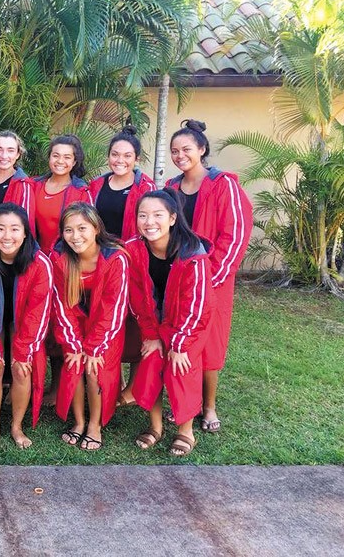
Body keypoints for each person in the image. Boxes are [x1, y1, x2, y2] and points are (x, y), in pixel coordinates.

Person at [165, 119, 252, 433]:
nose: (180, 155)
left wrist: (209, 279)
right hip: (177, 278)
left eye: (186, 149)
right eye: (175, 151)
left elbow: (235, 234)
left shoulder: (223, 184)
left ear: (201, 150)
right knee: (181, 340)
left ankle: (209, 406)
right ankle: (184, 403)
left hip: (213, 278)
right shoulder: (171, 188)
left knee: (210, 343)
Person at [128, 188, 214, 457]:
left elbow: (197, 305)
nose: (149, 222)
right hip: (155, 322)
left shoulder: (192, 254)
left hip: (189, 325)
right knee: (152, 363)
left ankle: (185, 431)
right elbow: (138, 297)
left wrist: (179, 344)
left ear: (173, 218)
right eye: (143, 215)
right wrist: (151, 335)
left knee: (181, 369)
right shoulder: (135, 249)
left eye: (157, 215)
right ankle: (156, 427)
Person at [0, 203, 52, 449]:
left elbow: (38, 312)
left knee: (21, 368)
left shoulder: (39, 263)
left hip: (23, 318)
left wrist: (24, 352)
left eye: (15, 229)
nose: (7, 236)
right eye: (0, 229)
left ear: (26, 232)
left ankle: (16, 426)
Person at [87, 125, 156, 407]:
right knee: (107, 318)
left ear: (136, 159)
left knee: (137, 319)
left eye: (127, 156)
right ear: (108, 156)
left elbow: (149, 226)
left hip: (135, 260)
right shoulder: (96, 186)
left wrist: (125, 250)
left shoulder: (145, 187)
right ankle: (109, 381)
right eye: (115, 154)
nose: (120, 160)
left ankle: (133, 385)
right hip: (102, 262)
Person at [50, 203, 129, 451]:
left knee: (95, 368)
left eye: (82, 228)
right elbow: (61, 306)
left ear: (95, 228)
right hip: (73, 325)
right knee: (74, 362)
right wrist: (74, 345)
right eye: (69, 230)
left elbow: (114, 309)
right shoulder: (59, 258)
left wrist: (94, 348)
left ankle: (94, 424)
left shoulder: (116, 258)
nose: (76, 236)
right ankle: (79, 421)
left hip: (106, 327)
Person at [33, 133, 90, 406]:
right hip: (36, 265)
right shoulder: (34, 186)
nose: (61, 161)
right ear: (49, 157)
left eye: (67, 157)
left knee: (62, 324)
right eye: (56, 155)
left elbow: (85, 232)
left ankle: (59, 389)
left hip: (65, 265)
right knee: (39, 325)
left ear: (75, 160)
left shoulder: (81, 190)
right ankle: (38, 384)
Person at [0, 131, 36, 237]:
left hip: (10, 247)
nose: (4, 156)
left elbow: (27, 224)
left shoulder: (23, 185)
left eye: (10, 150)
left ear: (18, 154)